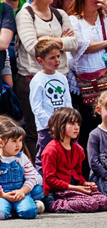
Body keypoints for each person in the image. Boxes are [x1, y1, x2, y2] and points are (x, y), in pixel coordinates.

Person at [16, 0, 77, 159]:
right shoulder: (25, 15)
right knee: (37, 132)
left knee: (63, 131)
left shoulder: (59, 14)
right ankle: (40, 174)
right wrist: (60, 40)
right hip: (32, 79)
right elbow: (32, 47)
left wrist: (46, 39)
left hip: (60, 79)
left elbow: (74, 43)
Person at [67, 0, 107, 162]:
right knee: (87, 128)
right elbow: (81, 46)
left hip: (104, 81)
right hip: (83, 85)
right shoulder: (74, 21)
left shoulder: (104, 19)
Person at [42, 107, 107, 212]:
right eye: (71, 124)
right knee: (91, 204)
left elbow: (78, 174)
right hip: (58, 192)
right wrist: (75, 188)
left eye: (78, 124)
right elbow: (50, 180)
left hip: (75, 189)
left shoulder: (76, 148)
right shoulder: (51, 150)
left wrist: (85, 184)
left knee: (103, 201)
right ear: (60, 125)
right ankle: (53, 204)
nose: (76, 127)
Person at [29, 39, 72, 173]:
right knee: (45, 157)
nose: (57, 60)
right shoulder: (38, 80)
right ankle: (43, 186)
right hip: (47, 128)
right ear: (40, 61)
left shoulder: (62, 78)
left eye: (58, 56)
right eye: (52, 58)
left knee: (64, 157)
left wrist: (68, 121)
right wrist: (52, 124)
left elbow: (67, 102)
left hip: (64, 127)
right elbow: (36, 107)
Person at [0, 119, 45, 220]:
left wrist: (22, 191)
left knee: (29, 212)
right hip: (1, 194)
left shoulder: (21, 157)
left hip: (20, 192)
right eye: (14, 141)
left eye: (20, 140)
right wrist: (3, 194)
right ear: (1, 142)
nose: (18, 144)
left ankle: (17, 207)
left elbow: (31, 177)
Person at [88, 92, 107, 195]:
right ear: (99, 110)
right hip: (102, 179)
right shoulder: (95, 135)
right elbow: (93, 162)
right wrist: (105, 175)